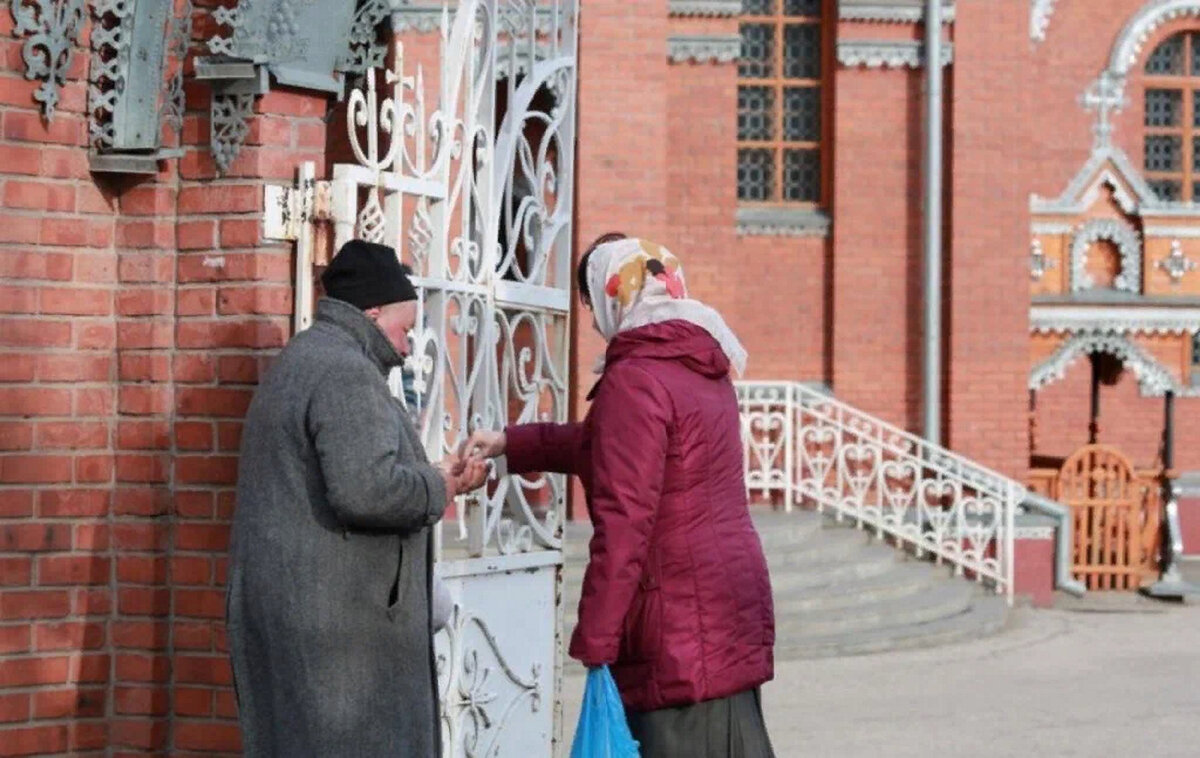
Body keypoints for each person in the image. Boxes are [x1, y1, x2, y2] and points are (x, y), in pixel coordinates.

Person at [462, 233, 776, 757]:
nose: (591, 322)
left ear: (616, 296)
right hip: (726, 603)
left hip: (673, 621)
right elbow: (602, 443)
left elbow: (626, 523)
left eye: (590, 305)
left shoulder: (636, 378)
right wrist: (507, 443)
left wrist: (596, 641)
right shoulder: (698, 362)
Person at [227, 239, 487, 757]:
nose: (408, 346)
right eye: (405, 328)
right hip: (339, 637)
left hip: (305, 617)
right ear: (372, 311)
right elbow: (366, 491)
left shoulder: (306, 357)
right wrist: (444, 485)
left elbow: (353, 471)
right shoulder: (345, 372)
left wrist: (427, 473)